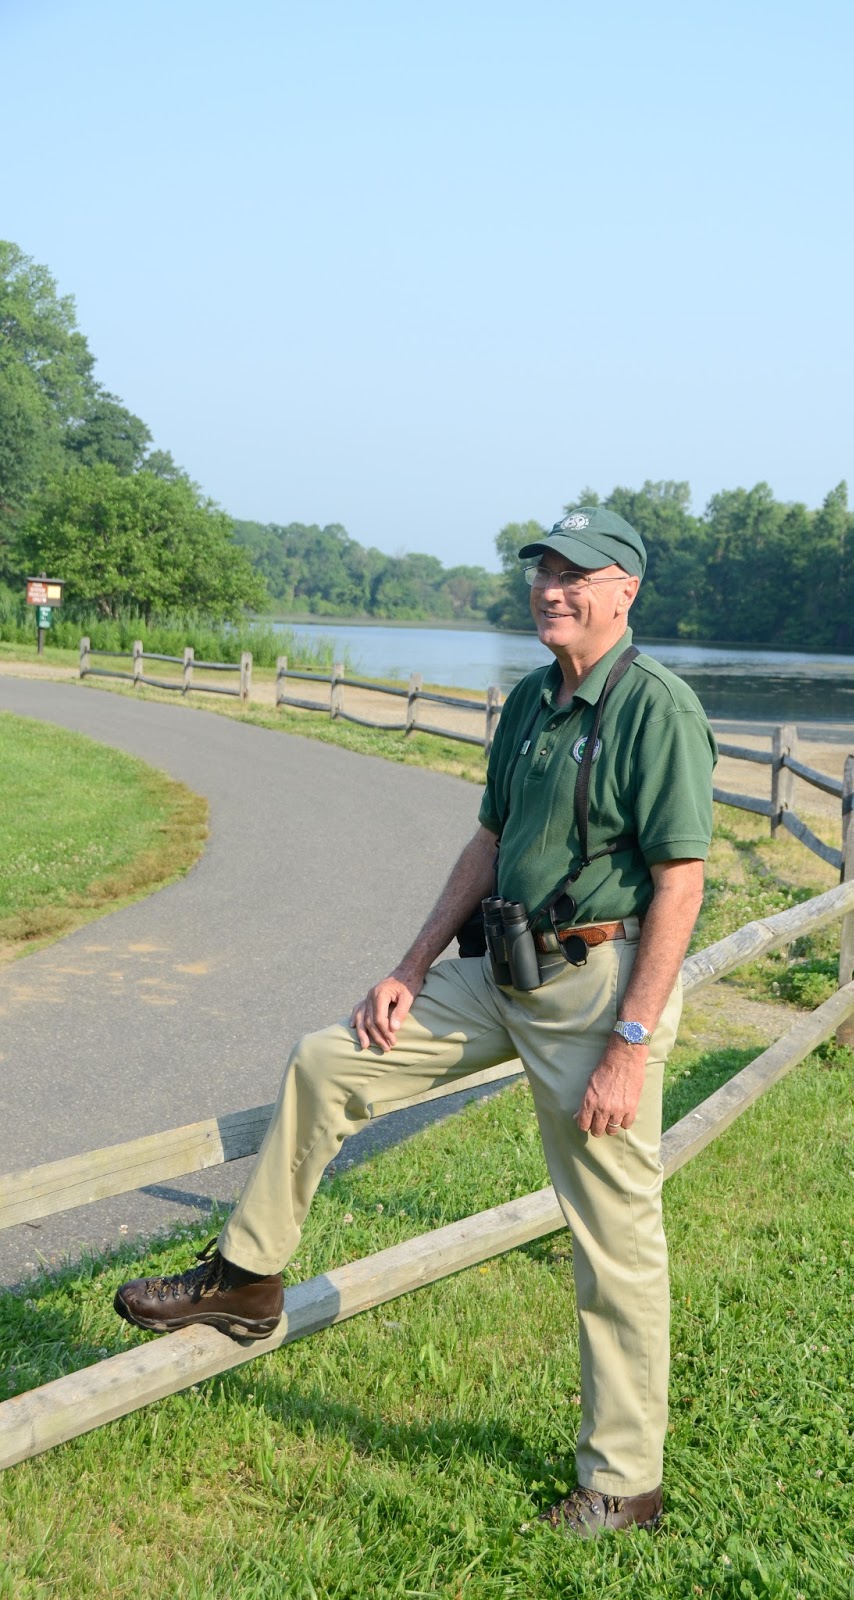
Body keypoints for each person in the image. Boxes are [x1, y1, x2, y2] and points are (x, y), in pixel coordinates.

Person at [114, 506, 717, 1537]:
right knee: (328, 1060)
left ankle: (624, 1485)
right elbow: (487, 841)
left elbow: (682, 884)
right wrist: (409, 966)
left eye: (576, 575)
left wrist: (629, 1043)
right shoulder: (529, 699)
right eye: (543, 572)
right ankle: (247, 1279)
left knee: (614, 1240)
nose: (551, 589)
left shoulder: (657, 709)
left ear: (625, 591)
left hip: (598, 993)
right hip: (500, 973)